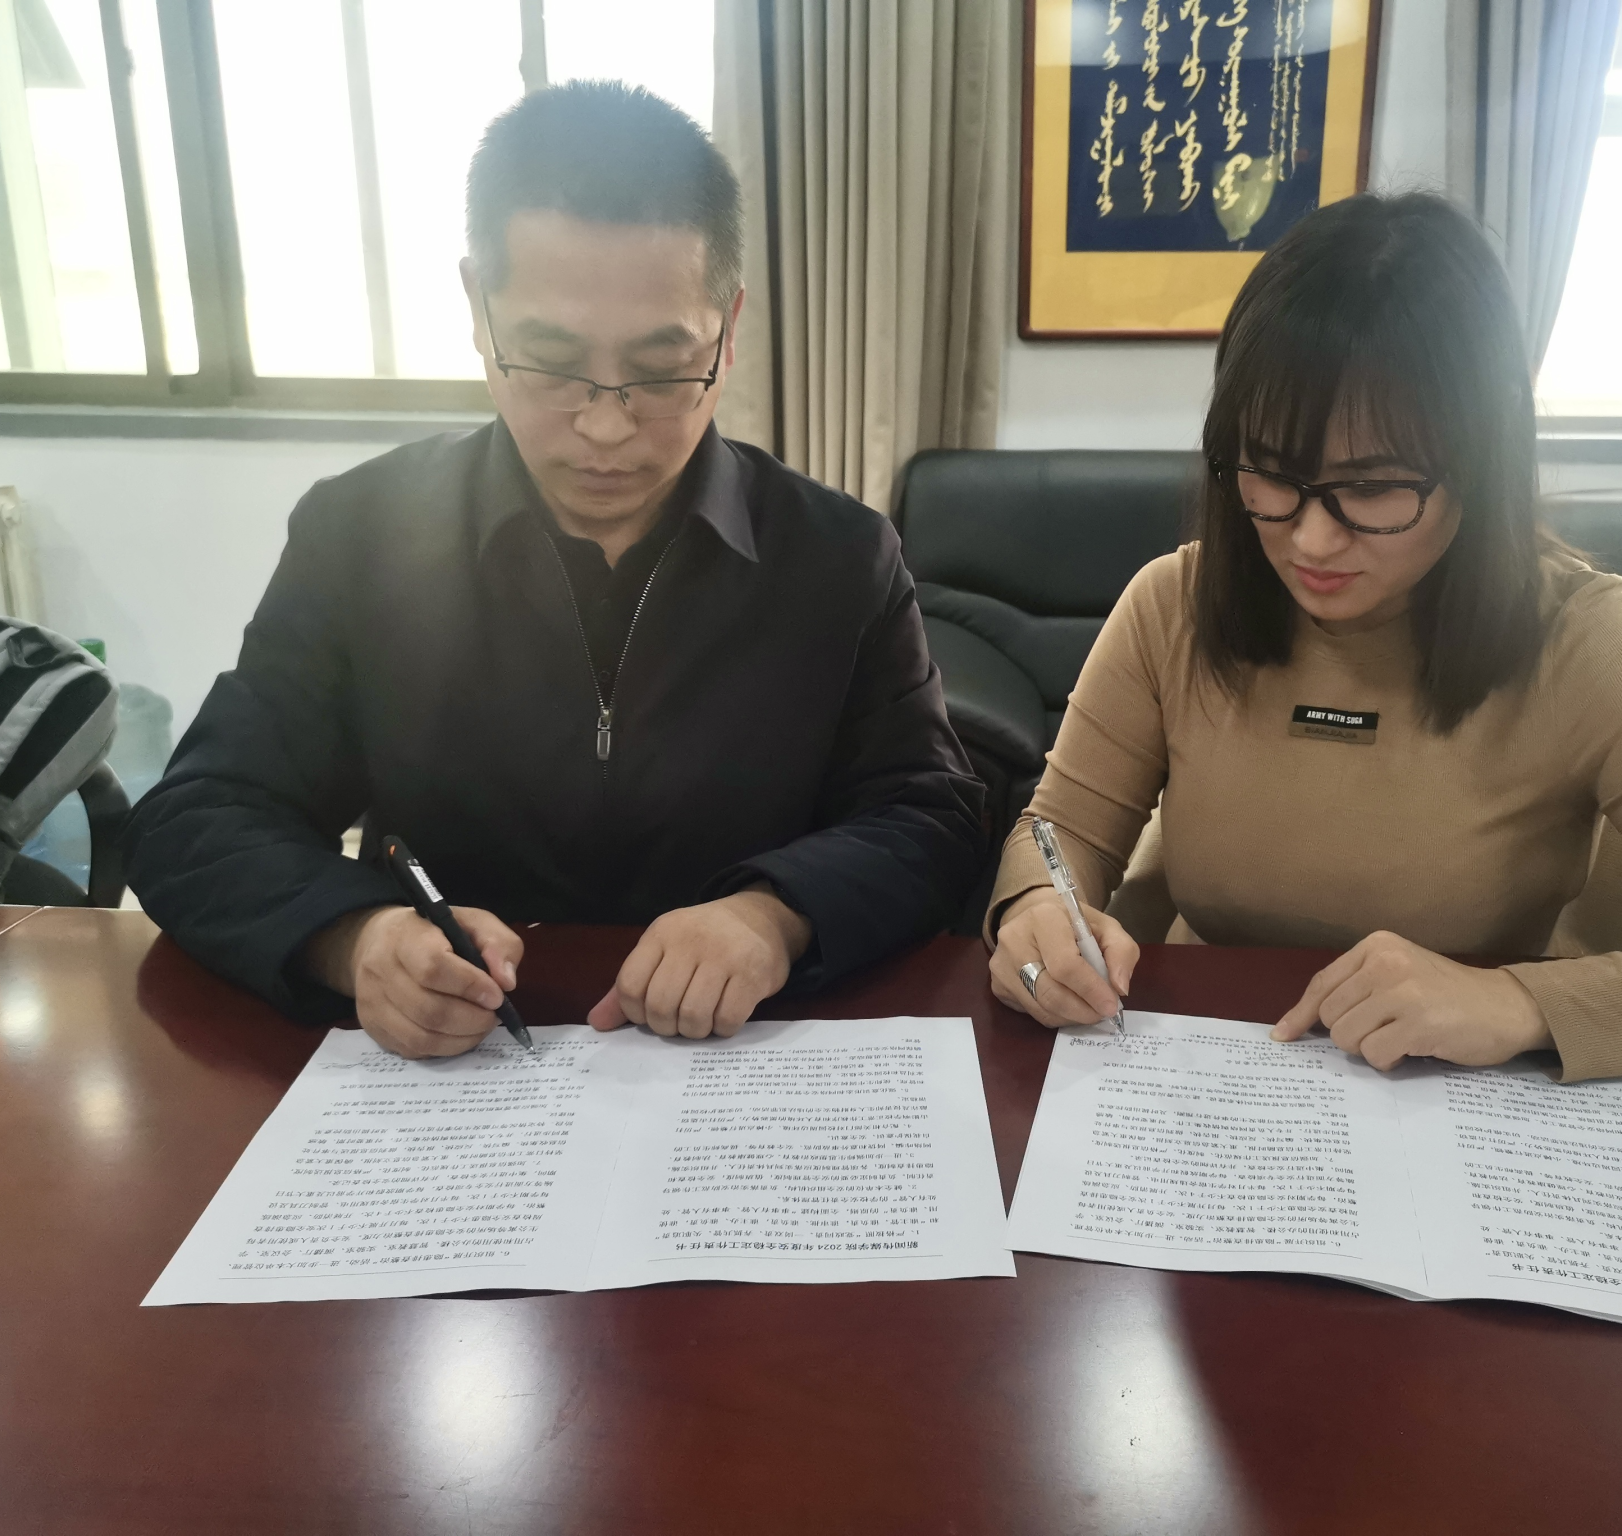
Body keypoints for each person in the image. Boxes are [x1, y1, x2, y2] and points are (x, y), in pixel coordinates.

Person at [128, 81, 986, 1058]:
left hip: (743, 1062)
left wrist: (772, 918)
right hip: (463, 1066)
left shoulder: (838, 556)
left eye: (661, 368)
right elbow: (197, 816)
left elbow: (932, 816)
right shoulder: (360, 536)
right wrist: (357, 939)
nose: (607, 428)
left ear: (729, 326)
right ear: (477, 308)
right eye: (549, 361)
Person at [985, 191, 1622, 1082]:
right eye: (1271, 474)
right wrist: (1034, 910)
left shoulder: (1582, 642)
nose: (1311, 541)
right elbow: (1060, 833)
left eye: (1374, 489)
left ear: (1480, 463)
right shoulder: (1174, 606)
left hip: (1466, 1098)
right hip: (1210, 1071)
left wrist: (1519, 1002)